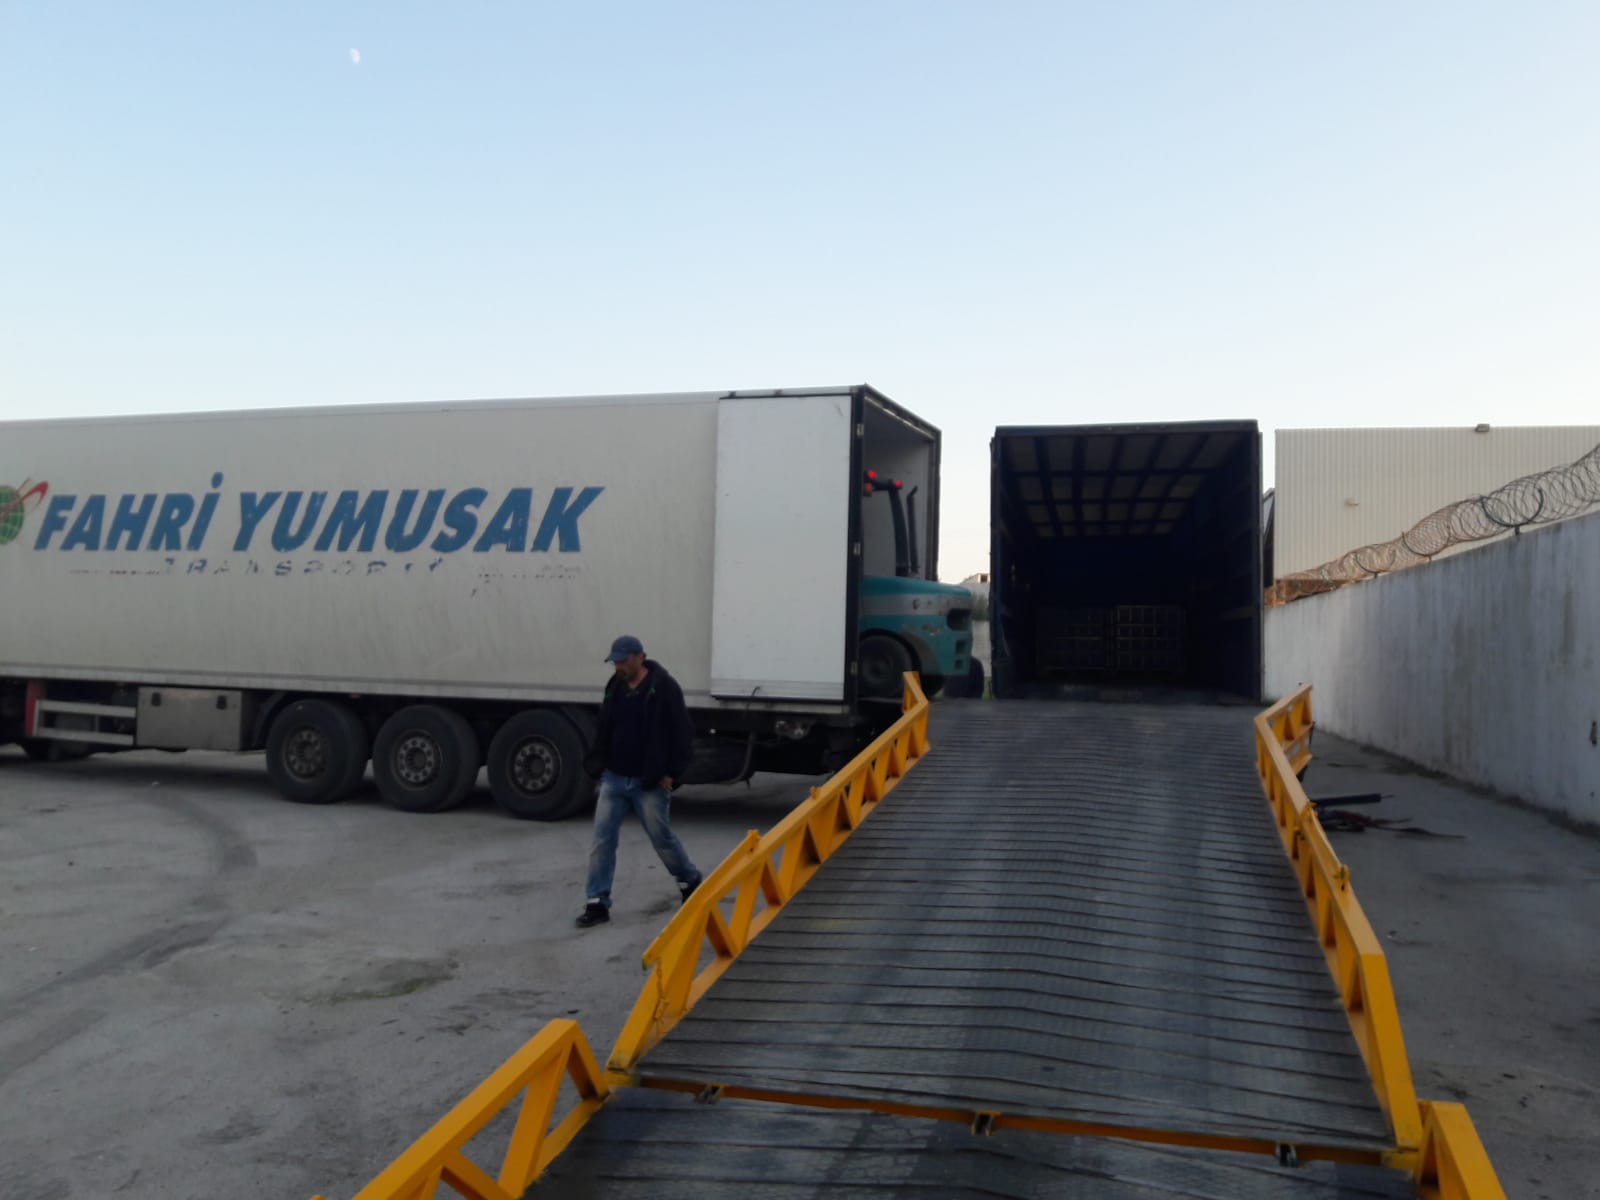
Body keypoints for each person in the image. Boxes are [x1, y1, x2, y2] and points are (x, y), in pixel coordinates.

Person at [576, 635, 703, 928]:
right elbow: (605, 726)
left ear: (639, 657)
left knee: (661, 838)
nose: (618, 666)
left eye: (622, 661)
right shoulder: (615, 686)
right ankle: (597, 903)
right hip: (614, 778)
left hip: (650, 783)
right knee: (602, 841)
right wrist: (599, 764)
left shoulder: (664, 687)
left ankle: (689, 880)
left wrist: (672, 772)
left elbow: (682, 732)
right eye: (615, 662)